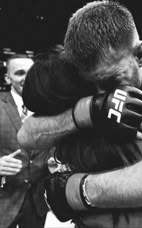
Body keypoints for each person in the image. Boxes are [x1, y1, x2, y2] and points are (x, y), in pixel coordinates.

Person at [17, 1, 142, 227]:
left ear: (140, 54)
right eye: (90, 85)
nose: (102, 92)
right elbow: (26, 135)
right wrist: (90, 110)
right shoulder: (90, 83)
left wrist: (78, 190)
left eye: (112, 80)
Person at [0, 54, 52, 228]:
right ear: (8, 77)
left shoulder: (49, 107)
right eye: (20, 73)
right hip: (4, 200)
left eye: (30, 72)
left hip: (36, 203)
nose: (27, 78)